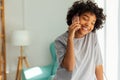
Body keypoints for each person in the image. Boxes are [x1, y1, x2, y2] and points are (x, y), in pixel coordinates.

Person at [54, 0, 106, 80]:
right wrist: (70, 37)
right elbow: (69, 67)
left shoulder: (92, 36)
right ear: (75, 18)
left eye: (92, 23)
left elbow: (98, 64)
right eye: (85, 18)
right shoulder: (60, 41)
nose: (88, 24)